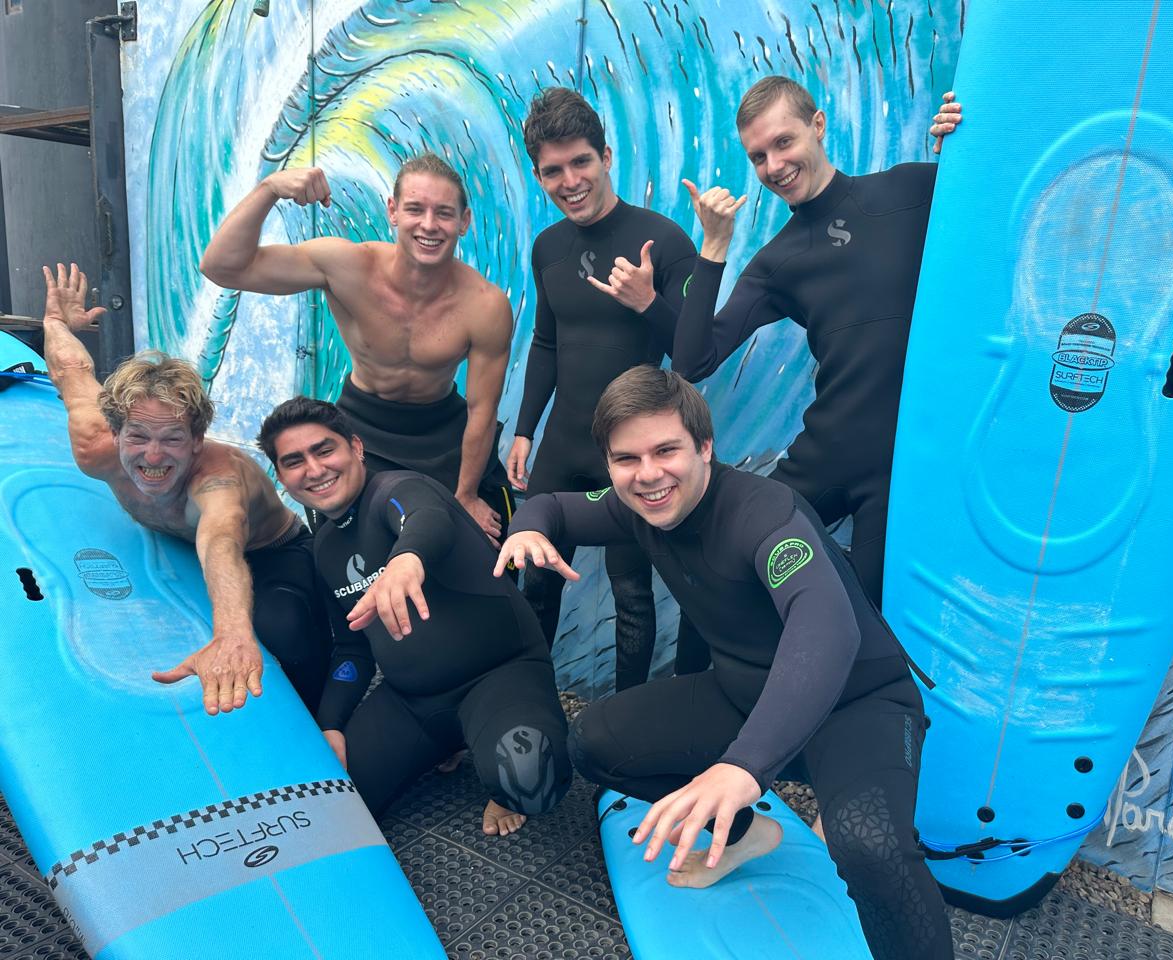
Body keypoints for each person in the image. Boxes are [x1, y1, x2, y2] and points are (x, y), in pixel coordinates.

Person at [495, 367, 952, 960]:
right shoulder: (634, 506)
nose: (648, 474)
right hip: (745, 694)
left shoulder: (765, 514)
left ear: (705, 446)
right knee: (596, 743)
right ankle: (744, 834)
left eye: (666, 451)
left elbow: (827, 629)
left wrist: (744, 766)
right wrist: (526, 529)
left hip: (857, 707)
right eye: (626, 458)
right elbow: (553, 507)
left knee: (869, 847)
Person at [673, 77, 962, 608]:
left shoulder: (908, 190)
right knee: (723, 570)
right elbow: (693, 361)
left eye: (783, 142)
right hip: (826, 456)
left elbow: (999, 194)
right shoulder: (776, 262)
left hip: (900, 467)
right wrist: (713, 245)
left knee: (870, 622)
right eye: (758, 157)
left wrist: (962, 142)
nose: (774, 166)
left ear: (818, 125)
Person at [258, 396, 572, 831]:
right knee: (332, 799)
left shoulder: (398, 490)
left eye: (324, 450)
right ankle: (453, 743)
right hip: (413, 702)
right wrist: (330, 725)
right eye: (294, 461)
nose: (314, 469)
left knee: (530, 779)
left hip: (499, 676)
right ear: (281, 477)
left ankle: (495, 759)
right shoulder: (324, 548)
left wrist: (407, 559)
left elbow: (426, 517)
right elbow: (351, 650)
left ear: (356, 448)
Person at [40, 263, 330, 715]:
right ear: (115, 432)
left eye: (172, 439)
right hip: (180, 543)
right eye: (138, 437)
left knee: (285, 628)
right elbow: (71, 371)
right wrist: (57, 323)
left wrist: (232, 634)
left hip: (272, 551)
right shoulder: (95, 447)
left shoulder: (217, 481)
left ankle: (320, 718)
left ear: (196, 440)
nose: (153, 457)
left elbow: (222, 540)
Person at [200, 153, 514, 544]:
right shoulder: (347, 266)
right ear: (393, 211)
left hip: (442, 436)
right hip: (362, 429)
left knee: (480, 545)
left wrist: (465, 494)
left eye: (444, 213)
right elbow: (222, 267)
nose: (429, 225)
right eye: (415, 209)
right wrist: (269, 189)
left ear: (463, 222)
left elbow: (482, 409)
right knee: (356, 555)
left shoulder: (485, 305)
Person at [509, 86, 707, 687]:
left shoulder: (663, 241)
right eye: (553, 171)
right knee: (535, 583)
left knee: (633, 596)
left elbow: (695, 357)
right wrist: (524, 430)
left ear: (606, 156)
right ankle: (532, 704)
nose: (569, 181)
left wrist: (648, 302)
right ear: (539, 176)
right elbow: (546, 342)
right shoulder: (548, 248)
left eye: (581, 162)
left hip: (628, 452)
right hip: (562, 444)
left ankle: (627, 717)